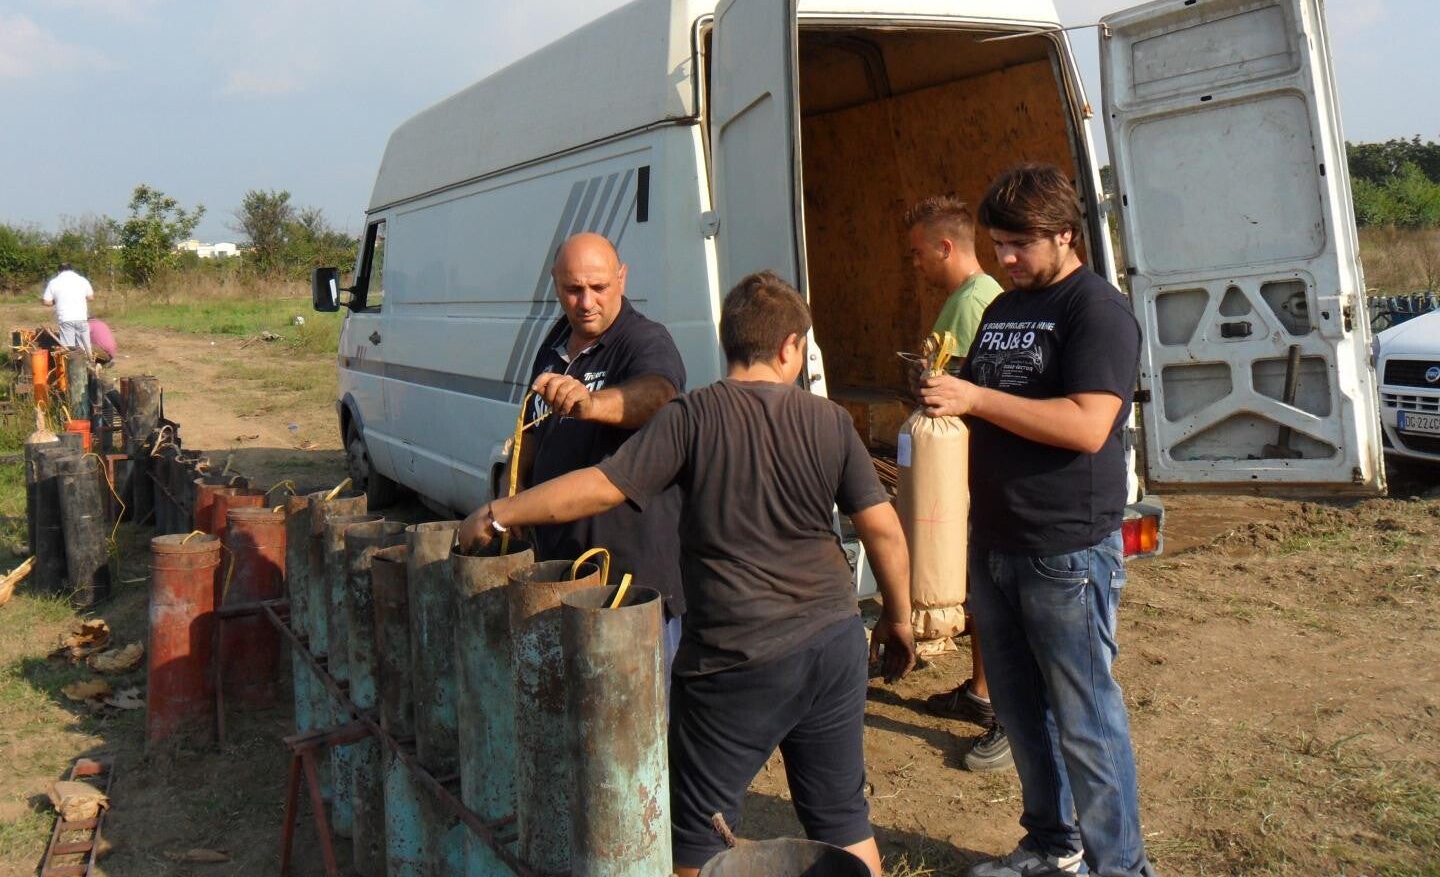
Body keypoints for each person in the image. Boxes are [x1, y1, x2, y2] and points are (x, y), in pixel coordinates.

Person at [460, 271, 917, 877]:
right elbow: (883, 530)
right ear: (790, 347)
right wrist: (899, 618)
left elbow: (601, 487)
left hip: (737, 657)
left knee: (695, 840)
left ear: (728, 340)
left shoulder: (693, 416)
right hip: (833, 644)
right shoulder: (830, 421)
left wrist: (501, 511)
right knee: (842, 821)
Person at [919, 164, 1154, 877]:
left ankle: (1121, 867)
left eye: (1020, 245)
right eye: (998, 245)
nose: (1006, 259)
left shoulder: (1097, 312)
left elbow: (1087, 425)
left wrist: (976, 400)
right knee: (1021, 713)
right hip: (995, 539)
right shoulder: (1003, 309)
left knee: (1086, 720)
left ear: (1064, 234)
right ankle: (1053, 846)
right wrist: (943, 395)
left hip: (1066, 549)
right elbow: (986, 397)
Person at [516, 232, 689, 663]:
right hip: (564, 573)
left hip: (630, 587)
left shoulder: (645, 340)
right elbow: (532, 432)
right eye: (573, 289)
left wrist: (591, 403)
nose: (586, 302)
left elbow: (659, 394)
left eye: (599, 287)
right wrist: (514, 496)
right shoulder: (554, 343)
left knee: (638, 701)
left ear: (622, 278)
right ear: (555, 283)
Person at [903, 195, 1010, 772]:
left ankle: (1003, 711)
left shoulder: (973, 304)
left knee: (987, 591)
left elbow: (970, 394)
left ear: (946, 247)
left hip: (966, 470)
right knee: (978, 586)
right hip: (965, 467)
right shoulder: (970, 298)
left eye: (919, 252)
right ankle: (980, 693)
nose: (915, 263)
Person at [41, 263, 94, 352]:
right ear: (72, 270)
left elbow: (46, 302)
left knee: (69, 349)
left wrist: (57, 301)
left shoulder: (54, 282)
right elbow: (90, 298)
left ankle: (71, 361)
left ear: (59, 271)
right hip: (81, 317)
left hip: (65, 318)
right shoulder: (82, 280)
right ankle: (87, 360)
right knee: (85, 348)